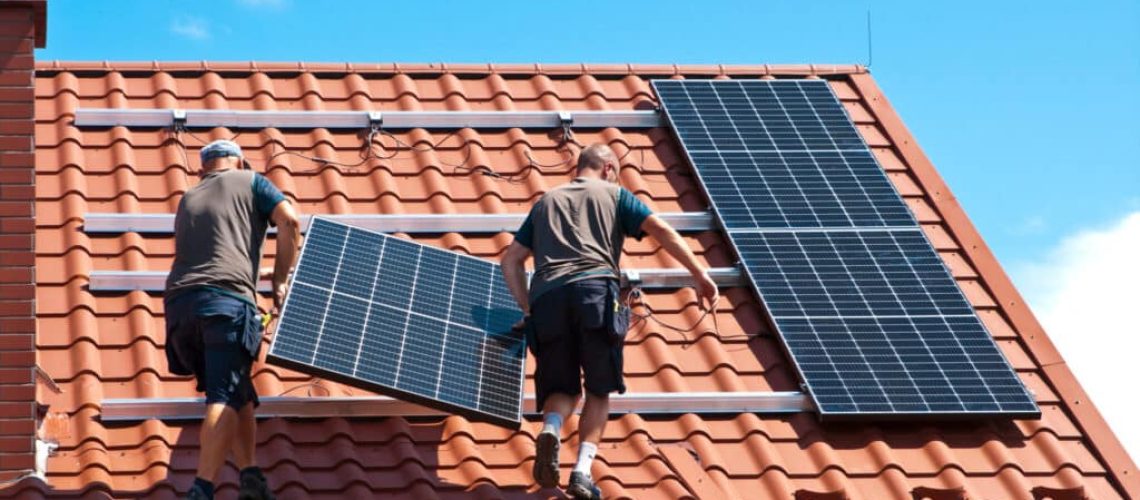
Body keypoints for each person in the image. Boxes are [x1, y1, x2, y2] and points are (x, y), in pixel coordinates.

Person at [500, 144, 718, 499]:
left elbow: (510, 261)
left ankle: (552, 429)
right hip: (595, 293)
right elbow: (661, 230)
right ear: (607, 168)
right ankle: (582, 472)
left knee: (562, 388)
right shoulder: (616, 195)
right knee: (599, 388)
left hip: (548, 299)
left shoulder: (545, 203)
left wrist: (528, 310)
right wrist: (698, 273)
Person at [164, 140, 300, 500]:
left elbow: (214, 256)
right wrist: (281, 279)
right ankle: (202, 487)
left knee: (238, 391)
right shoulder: (252, 180)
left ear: (202, 170)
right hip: (224, 305)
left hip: (180, 309)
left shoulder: (188, 198)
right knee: (223, 395)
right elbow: (290, 220)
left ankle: (250, 474)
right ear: (239, 162)